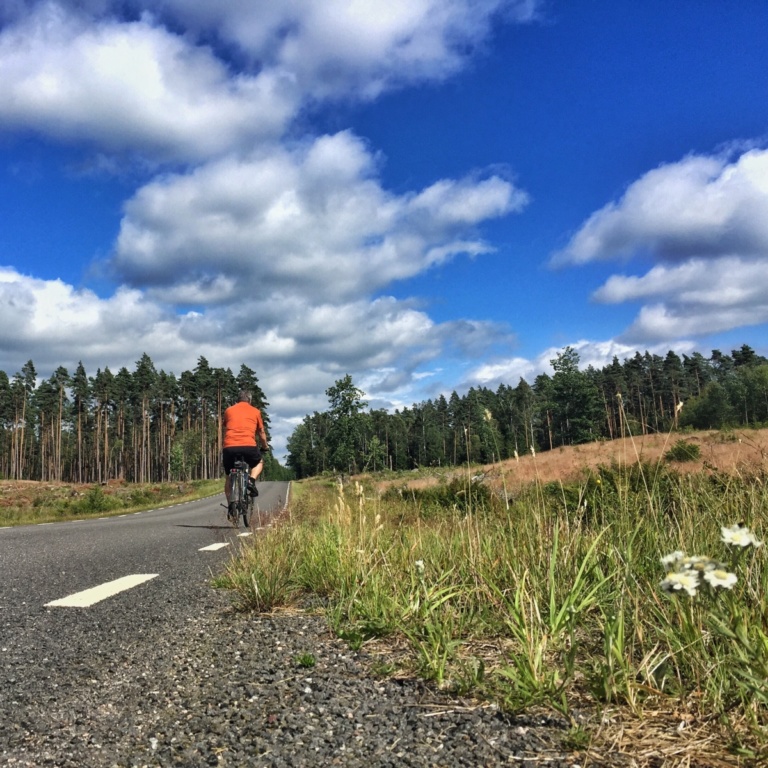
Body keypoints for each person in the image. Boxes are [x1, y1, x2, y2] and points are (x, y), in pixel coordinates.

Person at [222, 390, 269, 515]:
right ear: (250, 400)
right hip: (248, 446)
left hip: (229, 447)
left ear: (237, 400)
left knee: (228, 477)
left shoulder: (228, 410)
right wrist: (265, 446)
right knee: (259, 462)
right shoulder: (256, 411)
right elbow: (261, 433)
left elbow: (226, 425)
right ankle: (251, 481)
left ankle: (231, 506)